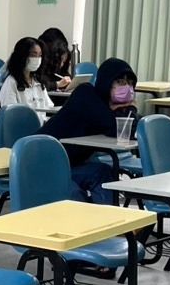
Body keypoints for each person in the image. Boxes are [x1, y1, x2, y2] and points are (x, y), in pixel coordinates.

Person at [42, 58, 138, 205]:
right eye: (120, 82)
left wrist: (130, 108)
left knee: (103, 173)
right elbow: (111, 125)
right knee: (75, 198)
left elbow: (126, 131)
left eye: (130, 83)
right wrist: (128, 108)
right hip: (43, 163)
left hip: (71, 164)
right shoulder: (85, 94)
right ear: (106, 82)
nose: (127, 87)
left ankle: (110, 217)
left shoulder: (109, 107)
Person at [0, 37, 54, 113]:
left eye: (40, 55)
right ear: (22, 56)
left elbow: (49, 107)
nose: (37, 59)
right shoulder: (11, 83)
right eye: (33, 55)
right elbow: (10, 114)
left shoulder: (38, 81)